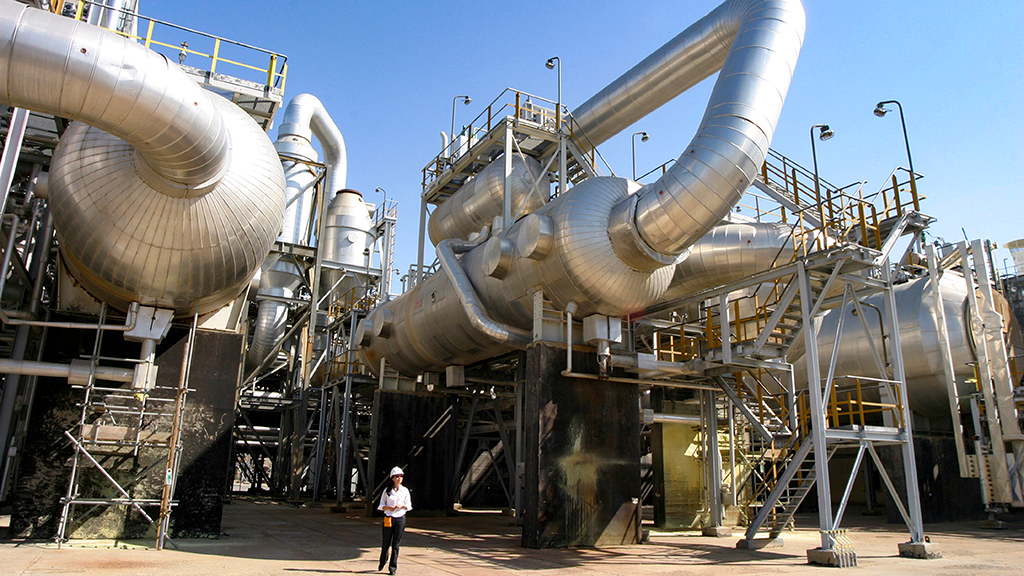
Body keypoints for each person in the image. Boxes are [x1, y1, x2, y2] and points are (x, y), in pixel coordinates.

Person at [377, 466, 411, 574]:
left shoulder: (405, 491)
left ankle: (393, 567)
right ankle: (383, 560)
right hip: (389, 517)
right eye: (397, 476)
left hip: (400, 518)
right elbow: (381, 505)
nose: (399, 478)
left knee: (396, 544)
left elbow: (409, 505)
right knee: (386, 542)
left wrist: (402, 506)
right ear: (392, 478)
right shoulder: (387, 491)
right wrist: (388, 508)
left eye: (401, 476)